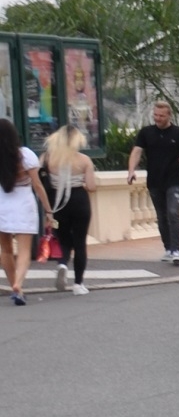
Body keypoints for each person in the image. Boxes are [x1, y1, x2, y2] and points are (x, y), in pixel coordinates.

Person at [128, 99, 179, 264]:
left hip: (175, 180)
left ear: (169, 115)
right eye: (155, 115)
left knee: (173, 212)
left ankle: (177, 250)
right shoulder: (146, 132)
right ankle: (168, 248)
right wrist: (131, 171)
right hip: (155, 181)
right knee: (161, 216)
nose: (157, 118)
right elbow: (136, 152)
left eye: (161, 116)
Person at [0, 120, 51, 305]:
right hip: (23, 204)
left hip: (2, 202)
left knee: (5, 250)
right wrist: (48, 209)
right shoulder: (26, 155)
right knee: (24, 251)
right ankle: (19, 284)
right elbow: (37, 185)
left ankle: (13, 284)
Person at [42, 126, 97, 294]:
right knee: (80, 243)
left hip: (57, 204)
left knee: (63, 239)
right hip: (79, 201)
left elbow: (41, 183)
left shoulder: (46, 158)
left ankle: (62, 264)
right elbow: (91, 186)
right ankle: (78, 284)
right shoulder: (84, 160)